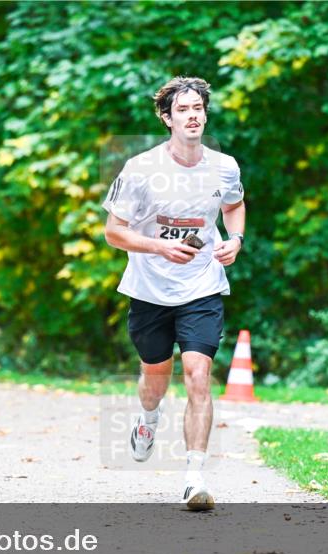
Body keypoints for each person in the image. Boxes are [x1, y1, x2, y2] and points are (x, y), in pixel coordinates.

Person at [103, 76, 246, 510]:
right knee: (155, 380)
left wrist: (235, 240)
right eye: (183, 110)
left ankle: (194, 476)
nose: (193, 116)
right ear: (167, 118)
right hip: (149, 289)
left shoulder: (224, 166)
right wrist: (160, 245)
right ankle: (148, 420)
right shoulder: (141, 168)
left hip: (201, 286)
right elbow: (113, 232)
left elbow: (234, 205)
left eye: (198, 108)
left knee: (198, 375)